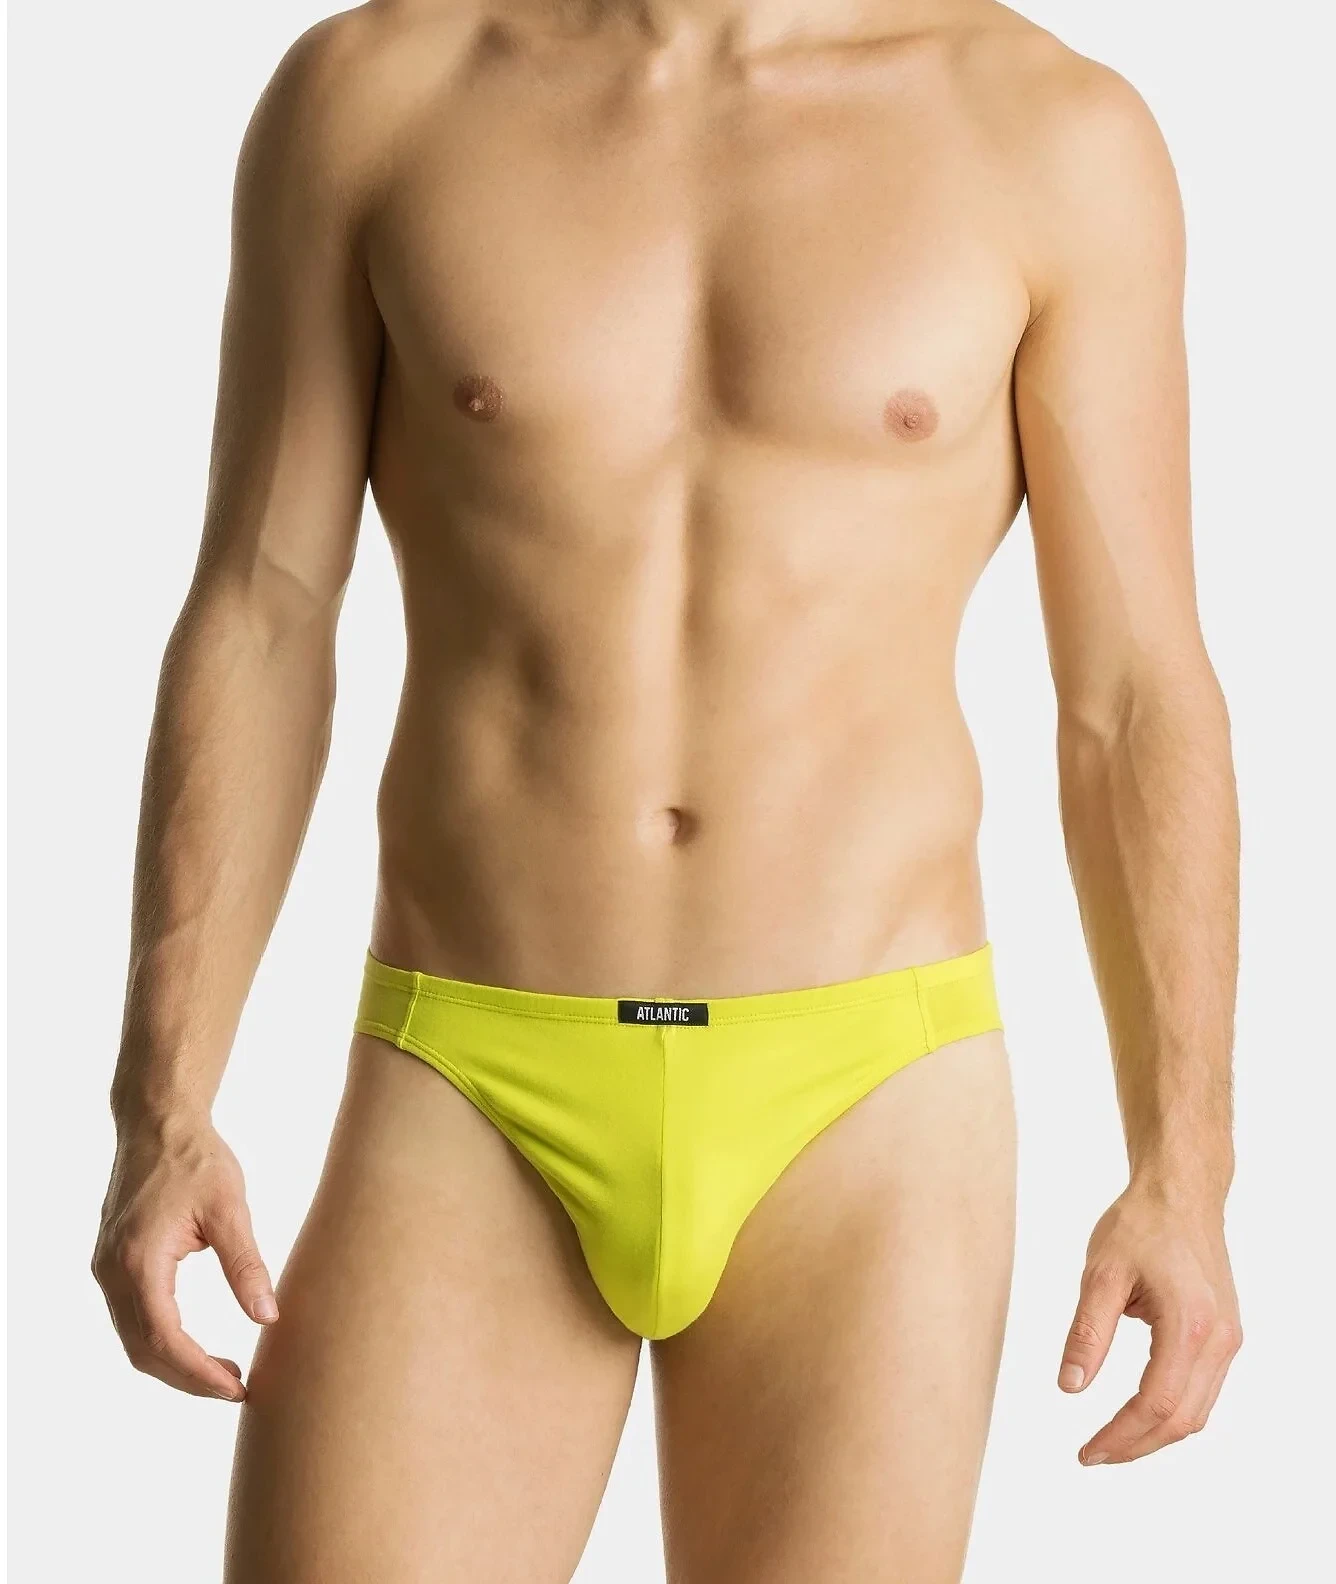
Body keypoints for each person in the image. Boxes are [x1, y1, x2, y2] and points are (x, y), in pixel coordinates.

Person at [92, 0, 1243, 1578]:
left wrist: (1185, 1166)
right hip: (472, 1070)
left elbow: (1131, 693)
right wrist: (162, 1103)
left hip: (867, 1094)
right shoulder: (378, 91)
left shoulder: (1049, 131)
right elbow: (266, 609)